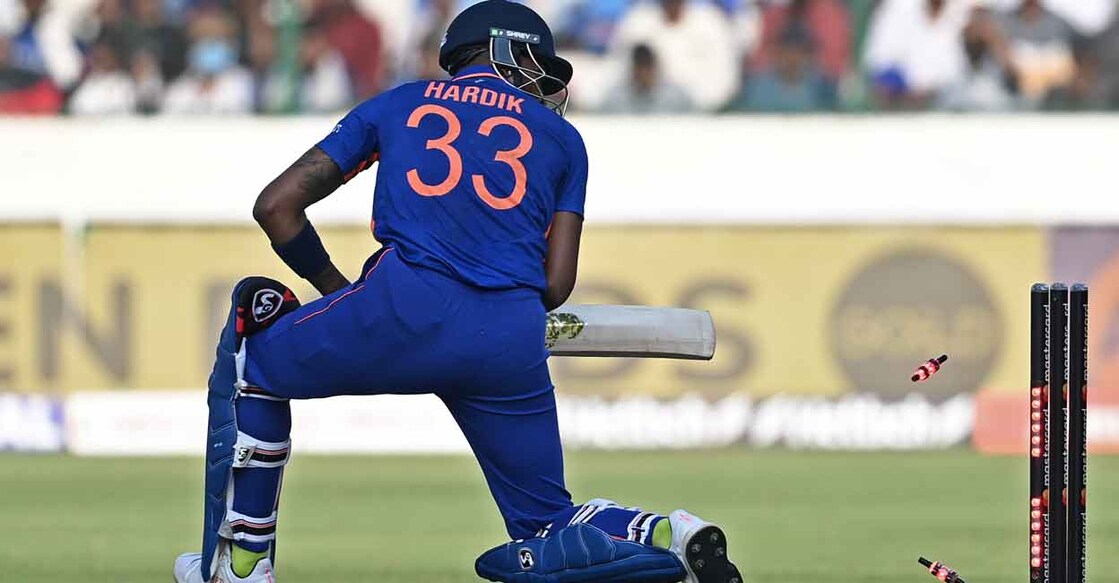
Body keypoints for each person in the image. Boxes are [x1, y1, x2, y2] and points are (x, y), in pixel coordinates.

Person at [171, 2, 743, 583]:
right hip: (509, 338)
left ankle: (241, 564)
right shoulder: (565, 140)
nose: (544, 82)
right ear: (504, 50)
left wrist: (339, 293)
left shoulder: (399, 102)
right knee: (547, 521)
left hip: (400, 306)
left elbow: (276, 206)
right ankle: (671, 534)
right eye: (537, 65)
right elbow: (555, 284)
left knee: (254, 361)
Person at [600, 43, 692, 114]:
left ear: (655, 67)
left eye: (647, 67)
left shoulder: (675, 98)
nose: (644, 73)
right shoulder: (616, 100)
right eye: (640, 68)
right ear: (632, 69)